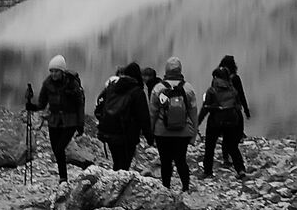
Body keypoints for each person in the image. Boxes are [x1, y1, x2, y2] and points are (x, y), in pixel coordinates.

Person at [28, 54, 87, 182]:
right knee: (56, 150)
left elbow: (80, 104)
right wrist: (31, 106)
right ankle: (63, 177)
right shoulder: (47, 83)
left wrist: (80, 124)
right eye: (52, 71)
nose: (53, 74)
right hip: (54, 121)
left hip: (70, 121)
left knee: (59, 148)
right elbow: (42, 104)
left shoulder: (72, 83)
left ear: (62, 71)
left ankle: (63, 179)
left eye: (56, 71)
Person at [149, 57, 197, 190]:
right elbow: (193, 112)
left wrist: (151, 132)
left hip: (162, 132)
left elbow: (152, 113)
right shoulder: (188, 88)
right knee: (181, 160)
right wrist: (194, 132)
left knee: (165, 161)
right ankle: (186, 188)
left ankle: (166, 188)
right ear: (180, 70)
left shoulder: (158, 88)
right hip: (183, 132)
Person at [95, 62, 152, 171]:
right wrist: (149, 138)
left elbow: (100, 106)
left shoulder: (112, 88)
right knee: (124, 165)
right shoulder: (138, 92)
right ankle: (119, 185)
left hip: (109, 132)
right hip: (128, 135)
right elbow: (143, 117)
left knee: (117, 162)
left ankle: (114, 183)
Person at [202, 57, 250, 182]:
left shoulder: (212, 90)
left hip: (215, 122)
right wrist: (244, 112)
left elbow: (205, 108)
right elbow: (238, 104)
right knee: (233, 146)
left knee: (210, 146)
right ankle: (240, 169)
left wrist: (198, 122)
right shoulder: (233, 90)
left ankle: (208, 171)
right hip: (231, 121)